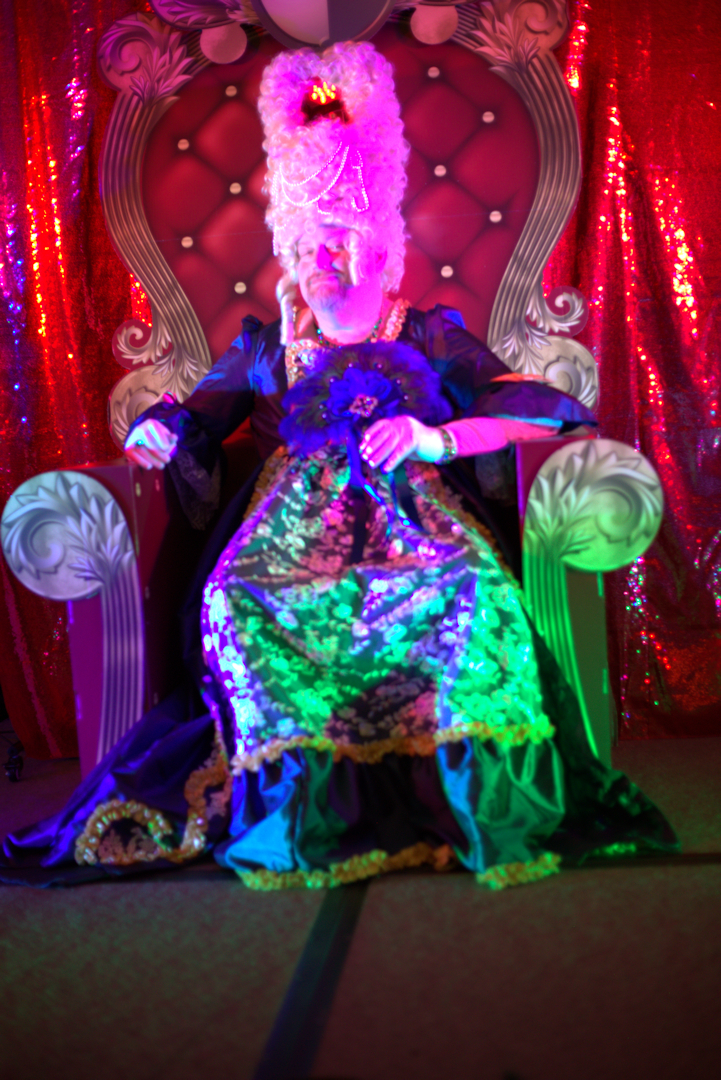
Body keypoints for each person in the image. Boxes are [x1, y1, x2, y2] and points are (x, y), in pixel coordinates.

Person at [1, 42, 677, 889]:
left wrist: (435, 440)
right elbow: (193, 419)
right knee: (235, 600)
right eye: (313, 241)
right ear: (291, 249)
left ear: (384, 248)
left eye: (346, 239)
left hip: (421, 534)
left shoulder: (427, 332)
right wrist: (158, 437)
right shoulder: (264, 347)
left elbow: (536, 409)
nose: (328, 257)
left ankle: (461, 801)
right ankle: (299, 811)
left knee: (472, 592)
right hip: (279, 545)